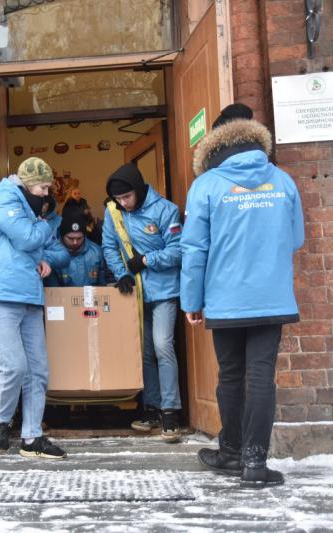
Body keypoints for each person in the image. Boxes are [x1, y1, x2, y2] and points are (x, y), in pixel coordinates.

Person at [180, 103, 305, 488]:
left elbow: (194, 250)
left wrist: (191, 301)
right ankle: (255, 462)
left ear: (215, 147)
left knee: (231, 375)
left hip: (226, 299)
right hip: (272, 298)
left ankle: (230, 451)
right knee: (262, 377)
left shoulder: (206, 186)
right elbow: (297, 238)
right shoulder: (283, 181)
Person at [0, 156, 70, 460]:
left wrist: (42, 258)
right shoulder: (6, 198)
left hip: (29, 296)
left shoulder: (28, 208)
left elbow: (39, 248)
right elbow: (29, 237)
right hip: (0, 296)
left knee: (38, 371)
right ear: (29, 183)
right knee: (15, 365)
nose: (46, 193)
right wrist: (43, 227)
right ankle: (0, 422)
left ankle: (32, 437)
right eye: (43, 187)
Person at [102, 163, 183, 442]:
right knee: (145, 351)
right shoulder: (114, 212)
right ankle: (152, 408)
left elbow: (177, 250)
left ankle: (171, 413)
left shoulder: (165, 210)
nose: (122, 203)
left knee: (163, 345)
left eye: (126, 197)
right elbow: (109, 246)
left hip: (164, 291)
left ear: (137, 190)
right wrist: (122, 273)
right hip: (135, 292)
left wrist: (147, 260)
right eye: (118, 199)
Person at [44, 207, 106, 287]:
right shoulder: (54, 254)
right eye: (70, 238)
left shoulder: (96, 252)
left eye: (79, 238)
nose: (75, 242)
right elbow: (52, 289)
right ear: (62, 236)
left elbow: (103, 284)